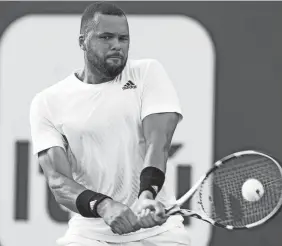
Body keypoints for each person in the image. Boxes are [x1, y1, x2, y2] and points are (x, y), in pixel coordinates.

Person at [30, 1, 190, 246]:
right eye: (106, 37)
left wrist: (147, 194)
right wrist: (103, 205)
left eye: (123, 39)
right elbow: (58, 181)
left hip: (160, 235)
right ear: (82, 41)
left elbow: (157, 143)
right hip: (89, 235)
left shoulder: (147, 73)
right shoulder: (48, 102)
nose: (117, 45)